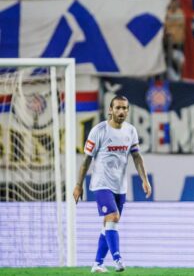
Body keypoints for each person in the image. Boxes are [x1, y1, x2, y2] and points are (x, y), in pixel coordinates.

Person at [73, 96, 151, 273]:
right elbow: (86, 160)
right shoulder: (99, 131)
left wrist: (144, 179)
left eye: (124, 108)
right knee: (113, 217)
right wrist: (78, 185)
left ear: (128, 111)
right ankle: (117, 259)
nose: (121, 111)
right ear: (110, 110)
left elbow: (137, 157)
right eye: (117, 108)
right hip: (101, 184)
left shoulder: (131, 131)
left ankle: (97, 264)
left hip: (120, 186)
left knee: (110, 225)